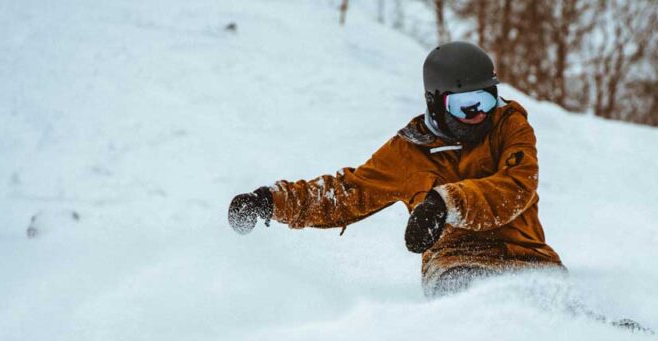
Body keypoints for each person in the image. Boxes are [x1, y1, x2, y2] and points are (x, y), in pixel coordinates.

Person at [228, 41, 564, 297]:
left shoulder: (510, 127)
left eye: (487, 99)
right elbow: (348, 193)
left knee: (549, 298)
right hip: (457, 264)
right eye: (465, 105)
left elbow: (515, 187)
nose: (479, 114)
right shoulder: (408, 152)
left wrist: (444, 204)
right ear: (435, 102)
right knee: (482, 298)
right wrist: (271, 201)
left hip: (529, 258)